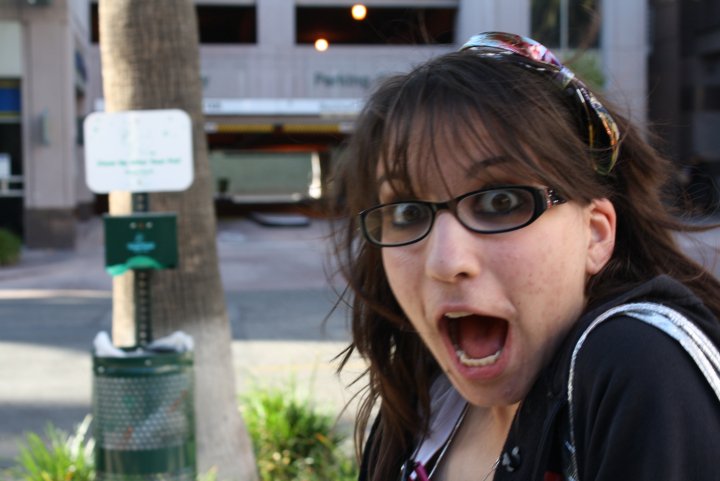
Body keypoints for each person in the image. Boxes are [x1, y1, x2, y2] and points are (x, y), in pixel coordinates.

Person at [329, 31, 720, 481]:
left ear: (595, 235)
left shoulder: (640, 363)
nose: (446, 261)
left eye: (500, 203)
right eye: (408, 212)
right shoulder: (422, 407)